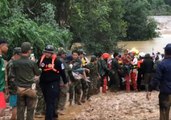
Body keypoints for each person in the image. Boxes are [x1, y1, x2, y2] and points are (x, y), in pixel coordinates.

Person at [12, 42, 41, 120]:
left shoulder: (15, 63)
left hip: (19, 89)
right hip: (30, 89)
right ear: (29, 51)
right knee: (30, 110)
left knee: (20, 110)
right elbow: (37, 72)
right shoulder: (32, 63)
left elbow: (11, 76)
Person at [38, 45, 68, 120]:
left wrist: (65, 82)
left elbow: (63, 72)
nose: (47, 54)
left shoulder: (58, 61)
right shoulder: (41, 60)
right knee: (47, 100)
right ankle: (54, 115)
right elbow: (36, 68)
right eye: (46, 52)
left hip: (53, 83)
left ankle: (49, 118)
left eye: (49, 52)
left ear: (52, 53)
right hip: (43, 83)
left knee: (50, 101)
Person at [147, 43, 171, 120]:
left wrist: (150, 89)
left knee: (164, 114)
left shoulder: (161, 64)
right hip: (166, 92)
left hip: (165, 93)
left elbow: (156, 79)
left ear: (165, 52)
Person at [6, 47, 21, 120]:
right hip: (14, 88)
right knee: (15, 106)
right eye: (20, 55)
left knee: (16, 106)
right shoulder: (12, 63)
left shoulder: (13, 62)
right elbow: (11, 78)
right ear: (16, 54)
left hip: (14, 88)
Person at [0, 39, 8, 116]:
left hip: (1, 89)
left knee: (2, 110)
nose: (7, 48)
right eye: (6, 46)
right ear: (1, 46)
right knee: (2, 109)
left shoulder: (2, 59)